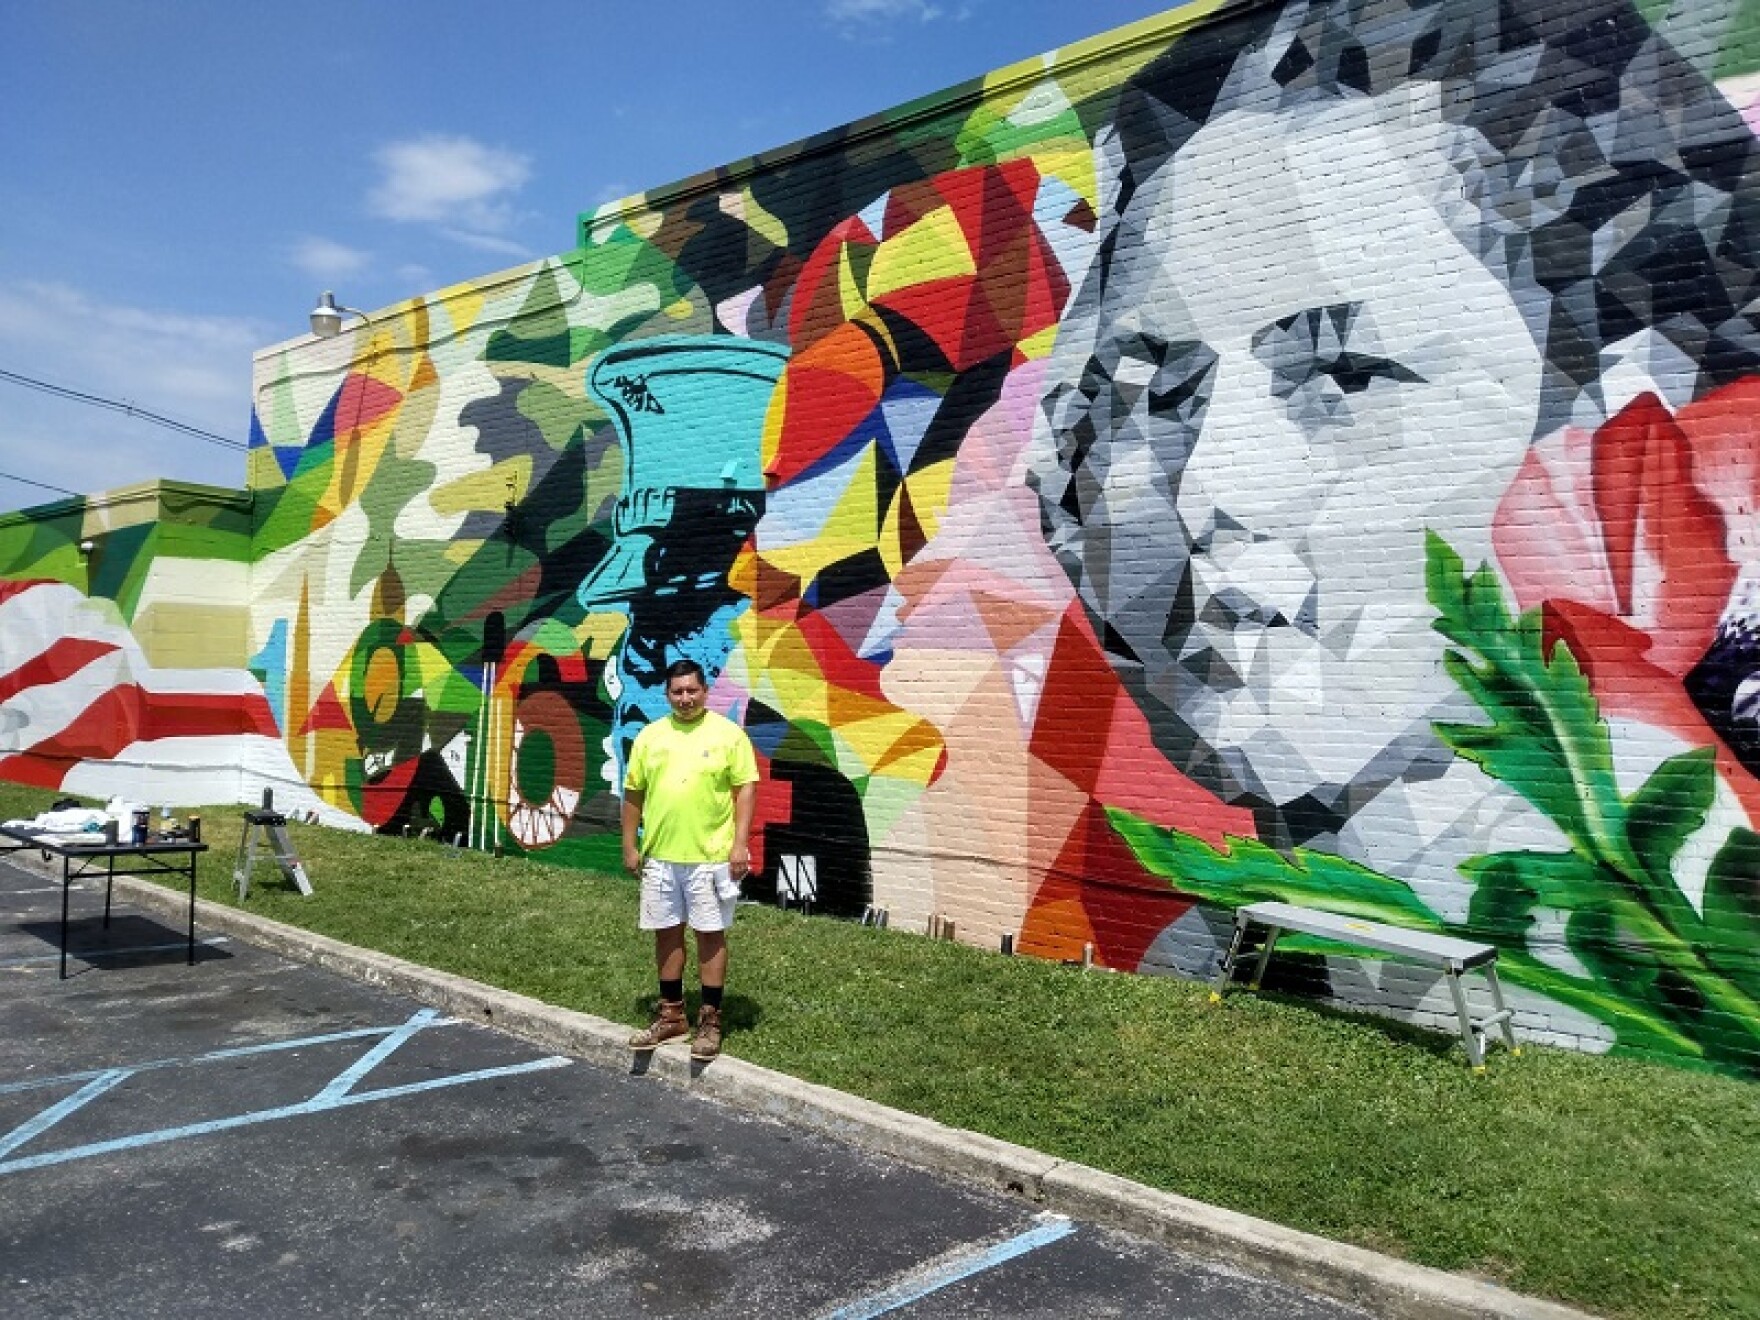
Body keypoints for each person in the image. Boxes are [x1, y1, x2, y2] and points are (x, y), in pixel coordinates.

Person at [621, 658, 759, 1059]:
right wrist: (630, 845)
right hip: (661, 856)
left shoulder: (728, 735)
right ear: (667, 695)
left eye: (692, 691)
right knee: (666, 932)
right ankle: (672, 1016)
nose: (685, 699)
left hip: (710, 857)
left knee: (709, 934)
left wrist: (739, 844)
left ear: (705, 691)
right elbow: (634, 794)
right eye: (677, 692)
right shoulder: (650, 737)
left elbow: (746, 789)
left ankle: (711, 1019)